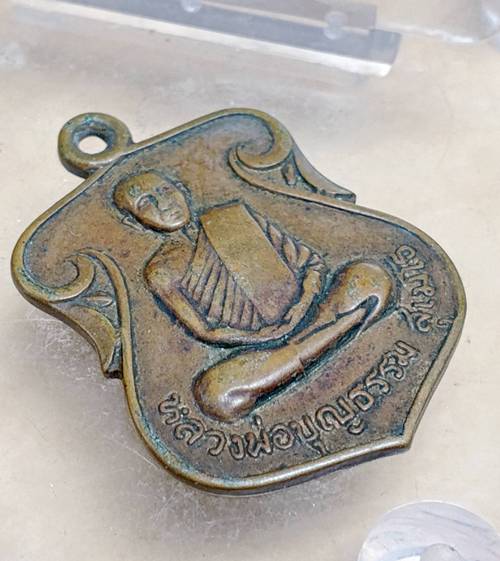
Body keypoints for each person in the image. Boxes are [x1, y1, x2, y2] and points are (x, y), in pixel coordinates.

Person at [114, 171, 393, 422]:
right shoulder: (161, 271)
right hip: (260, 353)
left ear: (179, 188)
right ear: (135, 221)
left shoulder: (233, 216)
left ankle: (303, 351)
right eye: (147, 203)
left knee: (367, 276)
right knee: (215, 394)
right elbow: (205, 331)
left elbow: (311, 264)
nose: (164, 204)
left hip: (313, 314)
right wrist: (260, 337)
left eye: (165, 191)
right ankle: (338, 331)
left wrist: (301, 306)